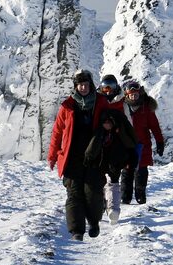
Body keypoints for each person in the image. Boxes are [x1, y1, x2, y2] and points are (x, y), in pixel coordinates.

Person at [46, 70, 105, 240]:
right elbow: (57, 132)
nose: (83, 87)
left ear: (91, 85)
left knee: (93, 192)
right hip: (71, 157)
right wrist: (52, 156)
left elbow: (114, 120)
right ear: (75, 86)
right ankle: (76, 231)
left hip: (94, 156)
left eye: (86, 84)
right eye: (80, 84)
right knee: (74, 193)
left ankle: (94, 222)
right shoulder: (67, 106)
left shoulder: (100, 103)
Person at [94, 75, 137, 223]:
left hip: (117, 146)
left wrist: (130, 144)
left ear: (116, 87)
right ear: (100, 87)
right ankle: (99, 206)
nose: (108, 91)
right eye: (105, 87)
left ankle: (113, 210)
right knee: (98, 179)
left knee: (113, 177)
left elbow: (129, 125)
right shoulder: (96, 100)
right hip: (100, 145)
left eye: (111, 87)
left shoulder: (122, 103)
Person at [121, 79, 165, 205]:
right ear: (127, 94)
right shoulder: (122, 106)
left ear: (139, 94)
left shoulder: (146, 108)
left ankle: (140, 196)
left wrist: (160, 142)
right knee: (127, 171)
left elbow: (155, 127)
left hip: (143, 144)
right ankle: (126, 197)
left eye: (136, 94)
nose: (134, 96)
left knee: (141, 170)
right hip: (126, 144)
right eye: (131, 94)